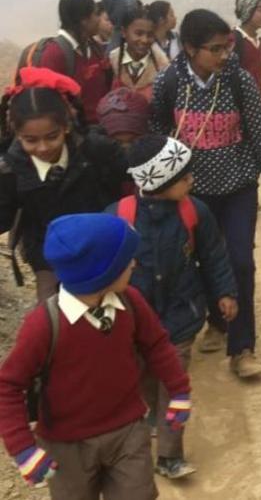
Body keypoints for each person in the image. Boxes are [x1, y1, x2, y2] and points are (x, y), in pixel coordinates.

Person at [0, 213, 192, 498]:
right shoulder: (43, 325)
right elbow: (8, 386)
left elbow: (157, 345)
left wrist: (179, 391)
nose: (134, 263)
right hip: (67, 446)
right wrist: (24, 449)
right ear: (100, 273)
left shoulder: (131, 302)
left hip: (128, 432)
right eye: (126, 260)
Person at [150, 9, 261, 379]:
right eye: (215, 49)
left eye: (226, 47)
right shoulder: (169, 84)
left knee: (240, 261)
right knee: (194, 263)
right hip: (189, 194)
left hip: (238, 188)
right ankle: (214, 320)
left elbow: (260, 131)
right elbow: (157, 134)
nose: (225, 55)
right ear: (191, 49)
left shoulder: (239, 81)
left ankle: (242, 348)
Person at [108, 135, 238, 479]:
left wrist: (225, 292)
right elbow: (102, 268)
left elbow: (213, 255)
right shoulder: (119, 217)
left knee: (174, 385)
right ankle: (151, 413)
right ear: (161, 183)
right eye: (185, 177)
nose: (192, 181)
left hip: (180, 318)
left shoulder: (195, 212)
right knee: (142, 380)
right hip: (133, 324)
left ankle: (169, 455)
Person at [0, 68, 127, 300]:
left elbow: (128, 185)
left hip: (100, 246)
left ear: (67, 126)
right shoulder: (10, 170)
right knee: (54, 313)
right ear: (16, 134)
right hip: (49, 257)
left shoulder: (97, 151)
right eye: (31, 140)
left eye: (52, 137)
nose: (42, 148)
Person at [37, 0, 110, 125]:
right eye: (95, 14)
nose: (99, 19)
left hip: (101, 128)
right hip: (77, 132)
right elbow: (48, 103)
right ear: (83, 20)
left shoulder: (94, 48)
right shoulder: (55, 54)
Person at [110, 5, 170, 101]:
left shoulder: (163, 67)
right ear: (124, 32)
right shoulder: (111, 63)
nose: (144, 40)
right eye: (138, 34)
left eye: (150, 35)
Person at [234, 0, 261, 100]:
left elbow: (258, 78)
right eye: (260, 9)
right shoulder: (234, 40)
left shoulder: (258, 41)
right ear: (247, 12)